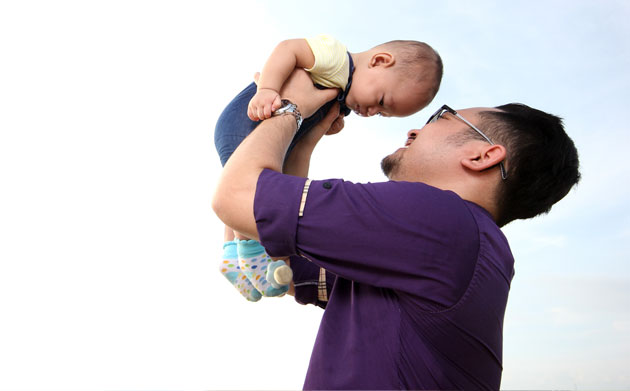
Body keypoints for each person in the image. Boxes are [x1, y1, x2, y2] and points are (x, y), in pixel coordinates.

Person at [212, 69, 581, 389]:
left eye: (443, 117)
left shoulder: (439, 219)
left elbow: (237, 196)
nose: (416, 128)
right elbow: (277, 261)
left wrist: (293, 108)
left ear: (482, 155)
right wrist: (307, 138)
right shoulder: (455, 246)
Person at [214, 35, 443, 301]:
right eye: (380, 101)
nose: (371, 112)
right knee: (255, 192)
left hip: (271, 136)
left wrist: (325, 122)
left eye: (381, 113)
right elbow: (289, 49)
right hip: (248, 122)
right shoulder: (336, 60)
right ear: (380, 61)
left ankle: (232, 254)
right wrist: (267, 88)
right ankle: (250, 251)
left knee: (271, 188)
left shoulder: (342, 98)